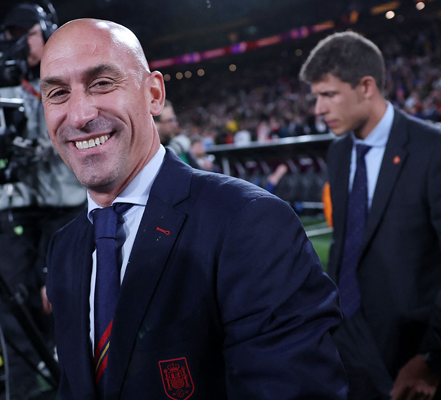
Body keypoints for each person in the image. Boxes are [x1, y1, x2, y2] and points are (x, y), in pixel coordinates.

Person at [40, 19, 347, 399]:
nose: (80, 114)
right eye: (57, 93)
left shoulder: (249, 222)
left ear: (154, 94)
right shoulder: (65, 247)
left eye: (102, 83)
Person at [300, 31, 441, 400]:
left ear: (366, 87)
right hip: (346, 336)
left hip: (413, 353)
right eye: (316, 96)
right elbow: (346, 245)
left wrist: (433, 357)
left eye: (328, 95)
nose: (318, 109)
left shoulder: (432, 149)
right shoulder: (338, 152)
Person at [0, 4, 87, 399]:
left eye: (24, 34)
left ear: (45, 30)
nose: (17, 44)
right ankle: (23, 390)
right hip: (17, 204)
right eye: (10, 36)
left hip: (64, 203)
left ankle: (83, 379)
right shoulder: (1, 80)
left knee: (71, 296)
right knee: (15, 301)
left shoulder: (68, 68)